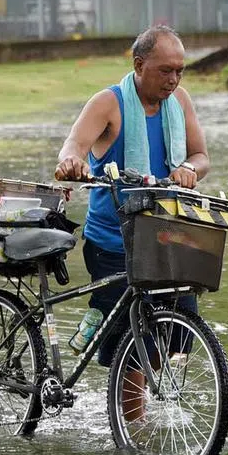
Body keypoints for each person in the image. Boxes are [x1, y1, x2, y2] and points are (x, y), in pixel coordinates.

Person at [54, 25, 209, 414]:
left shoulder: (180, 102)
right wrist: (71, 161)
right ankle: (133, 426)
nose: (173, 80)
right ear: (139, 65)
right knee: (131, 341)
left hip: (167, 232)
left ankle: (135, 397)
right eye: (164, 71)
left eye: (180, 71)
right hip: (114, 240)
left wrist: (190, 167)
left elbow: (202, 155)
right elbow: (74, 145)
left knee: (173, 332)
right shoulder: (108, 103)